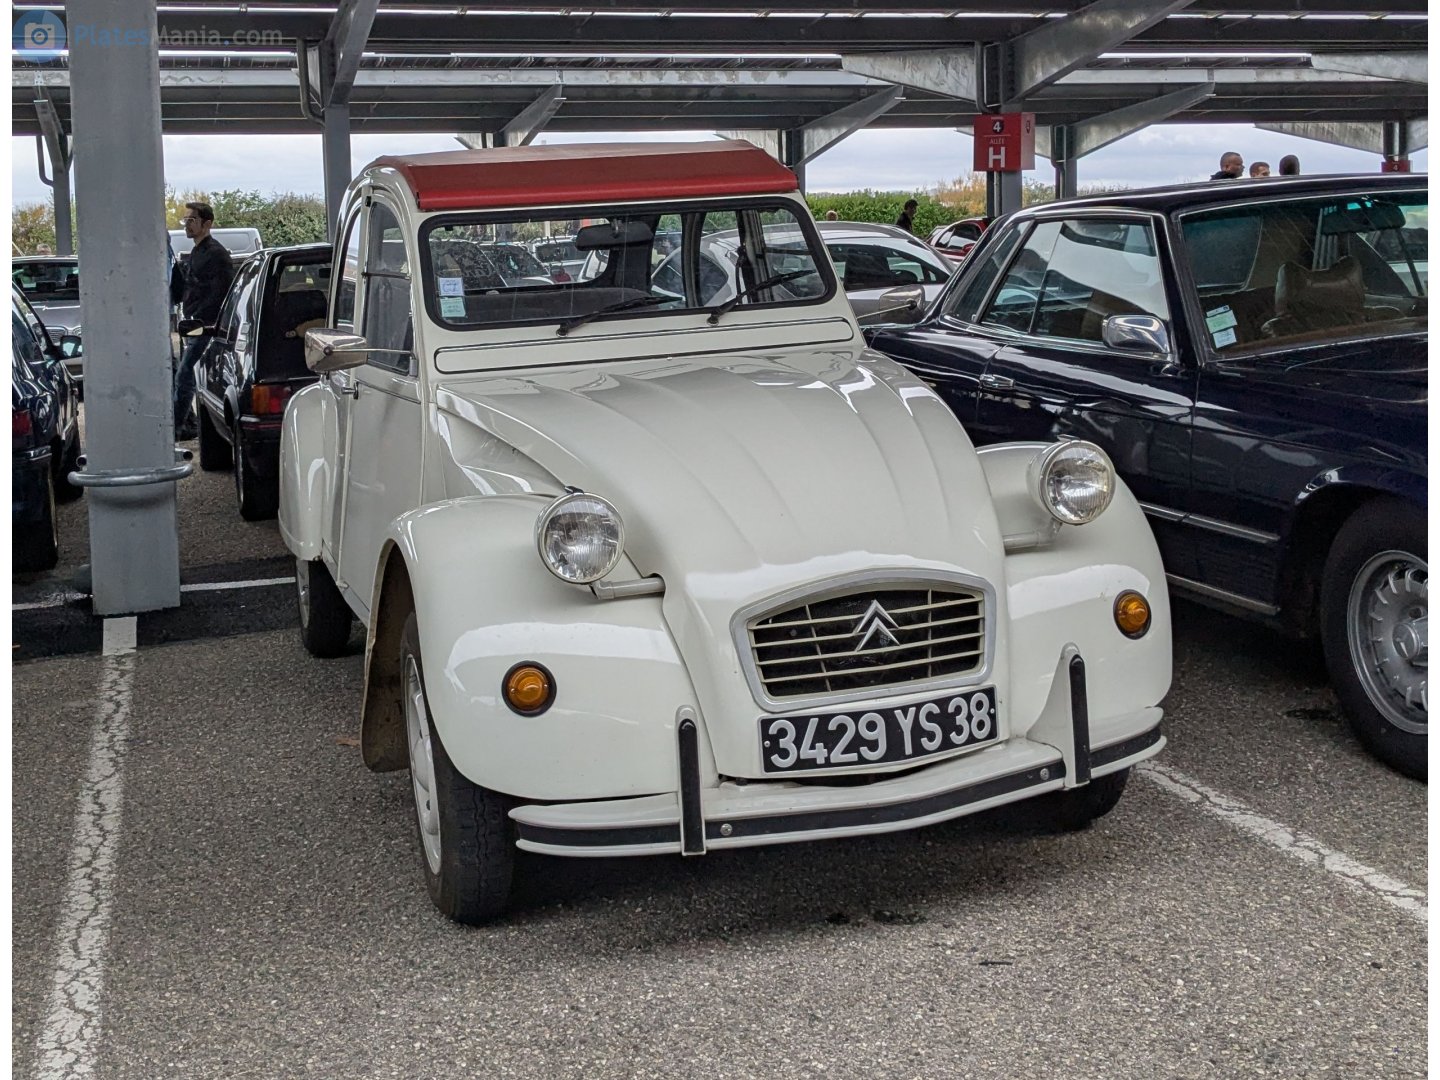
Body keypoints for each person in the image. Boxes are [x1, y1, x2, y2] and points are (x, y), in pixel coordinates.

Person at [172, 201, 234, 438]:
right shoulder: (198, 251)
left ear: (207, 224)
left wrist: (201, 315)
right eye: (185, 220)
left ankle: (177, 426)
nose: (187, 225)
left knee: (186, 373)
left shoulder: (216, 254)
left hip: (206, 325)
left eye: (192, 220)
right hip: (197, 323)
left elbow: (222, 292)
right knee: (189, 372)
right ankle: (184, 423)